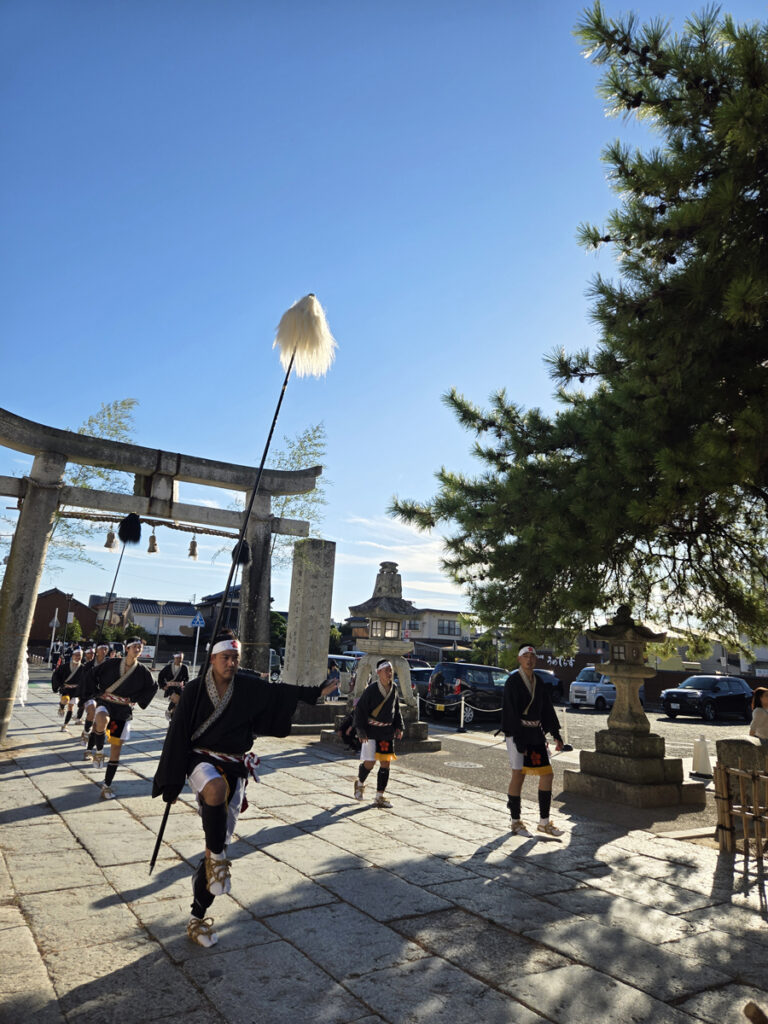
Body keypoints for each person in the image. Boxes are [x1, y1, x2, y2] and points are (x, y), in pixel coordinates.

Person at [152, 629, 338, 949]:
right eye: (226, 657)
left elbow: (278, 693)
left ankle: (198, 915)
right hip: (201, 760)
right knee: (214, 790)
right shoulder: (195, 690)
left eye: (235, 658)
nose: (231, 663)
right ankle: (219, 862)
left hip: (235, 766)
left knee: (217, 845)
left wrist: (314, 692)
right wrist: (169, 782)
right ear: (212, 659)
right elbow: (177, 735)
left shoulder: (247, 687)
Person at [502, 644, 564, 838]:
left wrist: (555, 733)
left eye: (532, 656)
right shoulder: (513, 681)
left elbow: (546, 709)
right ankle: (515, 821)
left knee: (547, 774)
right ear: (519, 659)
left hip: (535, 732)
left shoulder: (539, 682)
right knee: (518, 774)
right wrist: (517, 738)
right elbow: (509, 710)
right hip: (517, 731)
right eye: (525, 656)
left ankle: (544, 822)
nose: (529, 659)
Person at [85, 637, 157, 799]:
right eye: (135, 647)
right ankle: (99, 751)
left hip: (122, 710)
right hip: (106, 702)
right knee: (102, 719)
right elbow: (93, 674)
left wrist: (136, 699)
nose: (138, 649)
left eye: (140, 647)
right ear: (127, 649)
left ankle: (107, 785)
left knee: (116, 748)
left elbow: (153, 687)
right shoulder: (112, 663)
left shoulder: (142, 671)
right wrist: (96, 691)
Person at [352, 658, 404, 809]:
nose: (390, 673)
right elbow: (360, 711)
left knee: (385, 763)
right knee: (370, 762)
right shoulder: (372, 690)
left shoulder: (394, 688)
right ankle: (360, 783)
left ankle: (379, 796)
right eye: (387, 670)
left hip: (387, 732)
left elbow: (396, 709)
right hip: (371, 731)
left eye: (391, 670)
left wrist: (399, 726)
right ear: (379, 672)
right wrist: (360, 730)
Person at [79, 642, 110, 750]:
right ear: (97, 650)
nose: (104, 651)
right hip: (90, 694)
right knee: (91, 711)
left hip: (103, 696)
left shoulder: (110, 665)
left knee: (97, 724)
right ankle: (86, 731)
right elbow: (83, 682)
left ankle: (89, 749)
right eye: (102, 648)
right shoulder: (88, 665)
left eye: (106, 648)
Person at [51, 647, 86, 732]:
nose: (78, 657)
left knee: (73, 706)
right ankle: (62, 706)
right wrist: (59, 685)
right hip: (66, 689)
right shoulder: (65, 666)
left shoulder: (83, 668)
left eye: (80, 655)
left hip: (76, 690)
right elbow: (56, 676)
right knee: (65, 700)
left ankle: (65, 725)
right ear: (72, 655)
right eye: (76, 655)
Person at [157, 652, 190, 721]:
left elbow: (186, 678)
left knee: (177, 704)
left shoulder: (184, 667)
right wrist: (163, 685)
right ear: (174, 658)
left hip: (179, 688)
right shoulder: (168, 667)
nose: (179, 660)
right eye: (178, 658)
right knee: (177, 699)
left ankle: (172, 718)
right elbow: (160, 676)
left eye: (181, 658)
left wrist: (184, 684)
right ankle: (168, 711)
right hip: (170, 688)